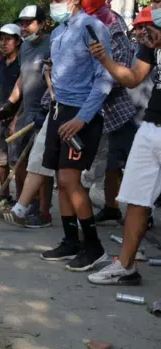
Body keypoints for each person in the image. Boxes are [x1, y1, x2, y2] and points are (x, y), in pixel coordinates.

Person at [85, 0, 161, 285]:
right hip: (150, 128)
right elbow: (132, 78)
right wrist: (105, 59)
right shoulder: (152, 43)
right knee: (136, 202)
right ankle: (126, 267)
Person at [38, 0, 114, 271]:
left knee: (72, 178)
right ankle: (71, 241)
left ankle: (94, 247)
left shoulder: (93, 28)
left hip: (83, 113)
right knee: (61, 178)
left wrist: (83, 118)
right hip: (59, 109)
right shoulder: (58, 32)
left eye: (59, 0)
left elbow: (105, 78)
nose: (53, 4)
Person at [0, 5, 55, 228]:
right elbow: (22, 79)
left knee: (42, 164)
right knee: (21, 161)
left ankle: (43, 212)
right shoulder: (25, 47)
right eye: (22, 23)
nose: (24, 27)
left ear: (42, 23)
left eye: (29, 22)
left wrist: (49, 107)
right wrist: (10, 104)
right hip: (28, 112)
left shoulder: (52, 43)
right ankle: (24, 204)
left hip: (47, 111)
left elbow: (54, 77)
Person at [79, 0, 138, 227]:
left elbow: (119, 77)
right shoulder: (84, 29)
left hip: (117, 112)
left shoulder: (117, 35)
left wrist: (92, 79)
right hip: (94, 110)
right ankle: (111, 208)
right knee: (109, 166)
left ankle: (144, 213)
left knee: (128, 165)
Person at [0, 24, 22, 206]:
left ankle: (23, 200)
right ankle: (5, 195)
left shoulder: (23, 61)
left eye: (8, 39)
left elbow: (27, 93)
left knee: (18, 162)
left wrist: (17, 119)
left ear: (17, 41)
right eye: (1, 39)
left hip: (20, 117)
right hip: (0, 115)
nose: (3, 43)